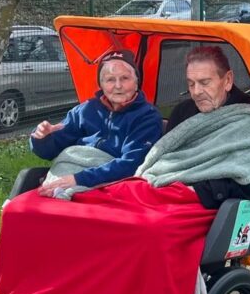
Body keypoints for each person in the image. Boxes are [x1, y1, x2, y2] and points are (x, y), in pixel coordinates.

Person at [30, 51, 162, 197]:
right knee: (23, 207)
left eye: (125, 78)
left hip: (110, 182)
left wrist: (79, 179)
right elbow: (49, 152)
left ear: (136, 82)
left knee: (58, 201)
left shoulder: (147, 116)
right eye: (110, 80)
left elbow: (132, 164)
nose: (118, 86)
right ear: (101, 85)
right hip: (69, 169)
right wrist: (42, 138)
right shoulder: (85, 110)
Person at [162, 45, 250, 209]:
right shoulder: (182, 112)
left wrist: (198, 190)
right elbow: (165, 159)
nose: (196, 92)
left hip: (215, 208)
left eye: (204, 83)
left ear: (227, 80)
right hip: (172, 193)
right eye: (191, 84)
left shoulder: (248, 120)